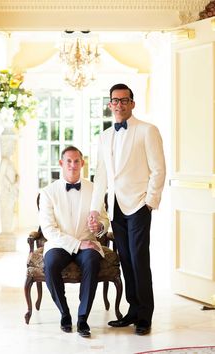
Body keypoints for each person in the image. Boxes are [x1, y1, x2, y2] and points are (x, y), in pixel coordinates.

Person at [89, 83, 166, 335]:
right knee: (126, 260)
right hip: (115, 208)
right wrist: (95, 208)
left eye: (124, 100)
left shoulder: (147, 130)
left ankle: (145, 315)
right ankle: (132, 311)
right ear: (110, 105)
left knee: (139, 259)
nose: (119, 105)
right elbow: (101, 175)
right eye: (115, 101)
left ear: (132, 103)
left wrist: (150, 202)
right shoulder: (104, 136)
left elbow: (158, 169)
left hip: (138, 204)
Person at [39, 146, 109, 338]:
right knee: (51, 264)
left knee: (92, 261)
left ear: (82, 163)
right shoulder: (48, 192)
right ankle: (64, 314)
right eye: (68, 161)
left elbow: (104, 219)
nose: (72, 165)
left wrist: (100, 227)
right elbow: (49, 230)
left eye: (76, 161)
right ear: (61, 163)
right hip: (60, 244)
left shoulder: (94, 189)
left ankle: (83, 318)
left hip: (87, 240)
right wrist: (77, 245)